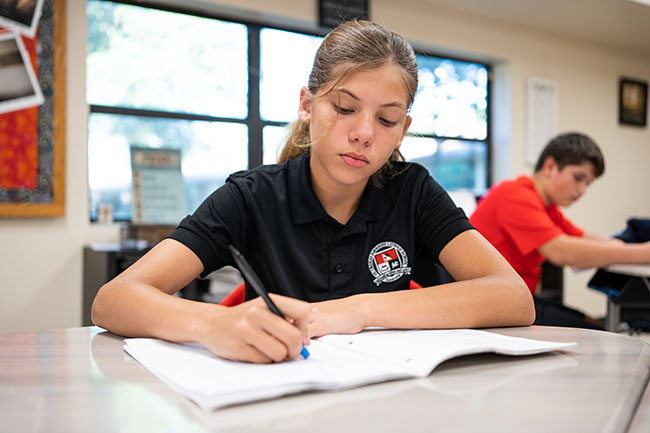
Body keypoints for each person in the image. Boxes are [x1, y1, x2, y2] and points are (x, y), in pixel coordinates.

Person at [92, 20, 534, 364]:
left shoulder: (411, 191)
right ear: (307, 105)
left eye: (386, 120)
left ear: (403, 130)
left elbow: (513, 296)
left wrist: (358, 310)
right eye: (344, 108)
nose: (363, 133)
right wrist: (214, 323)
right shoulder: (252, 198)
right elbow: (113, 300)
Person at [470, 132, 650, 327]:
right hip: (494, 308)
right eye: (578, 178)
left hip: (516, 301)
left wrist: (618, 245)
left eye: (587, 183)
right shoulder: (513, 195)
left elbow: (580, 238)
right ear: (550, 167)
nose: (582, 190)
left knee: (597, 325)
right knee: (598, 334)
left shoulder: (547, 207)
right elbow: (561, 251)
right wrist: (642, 253)